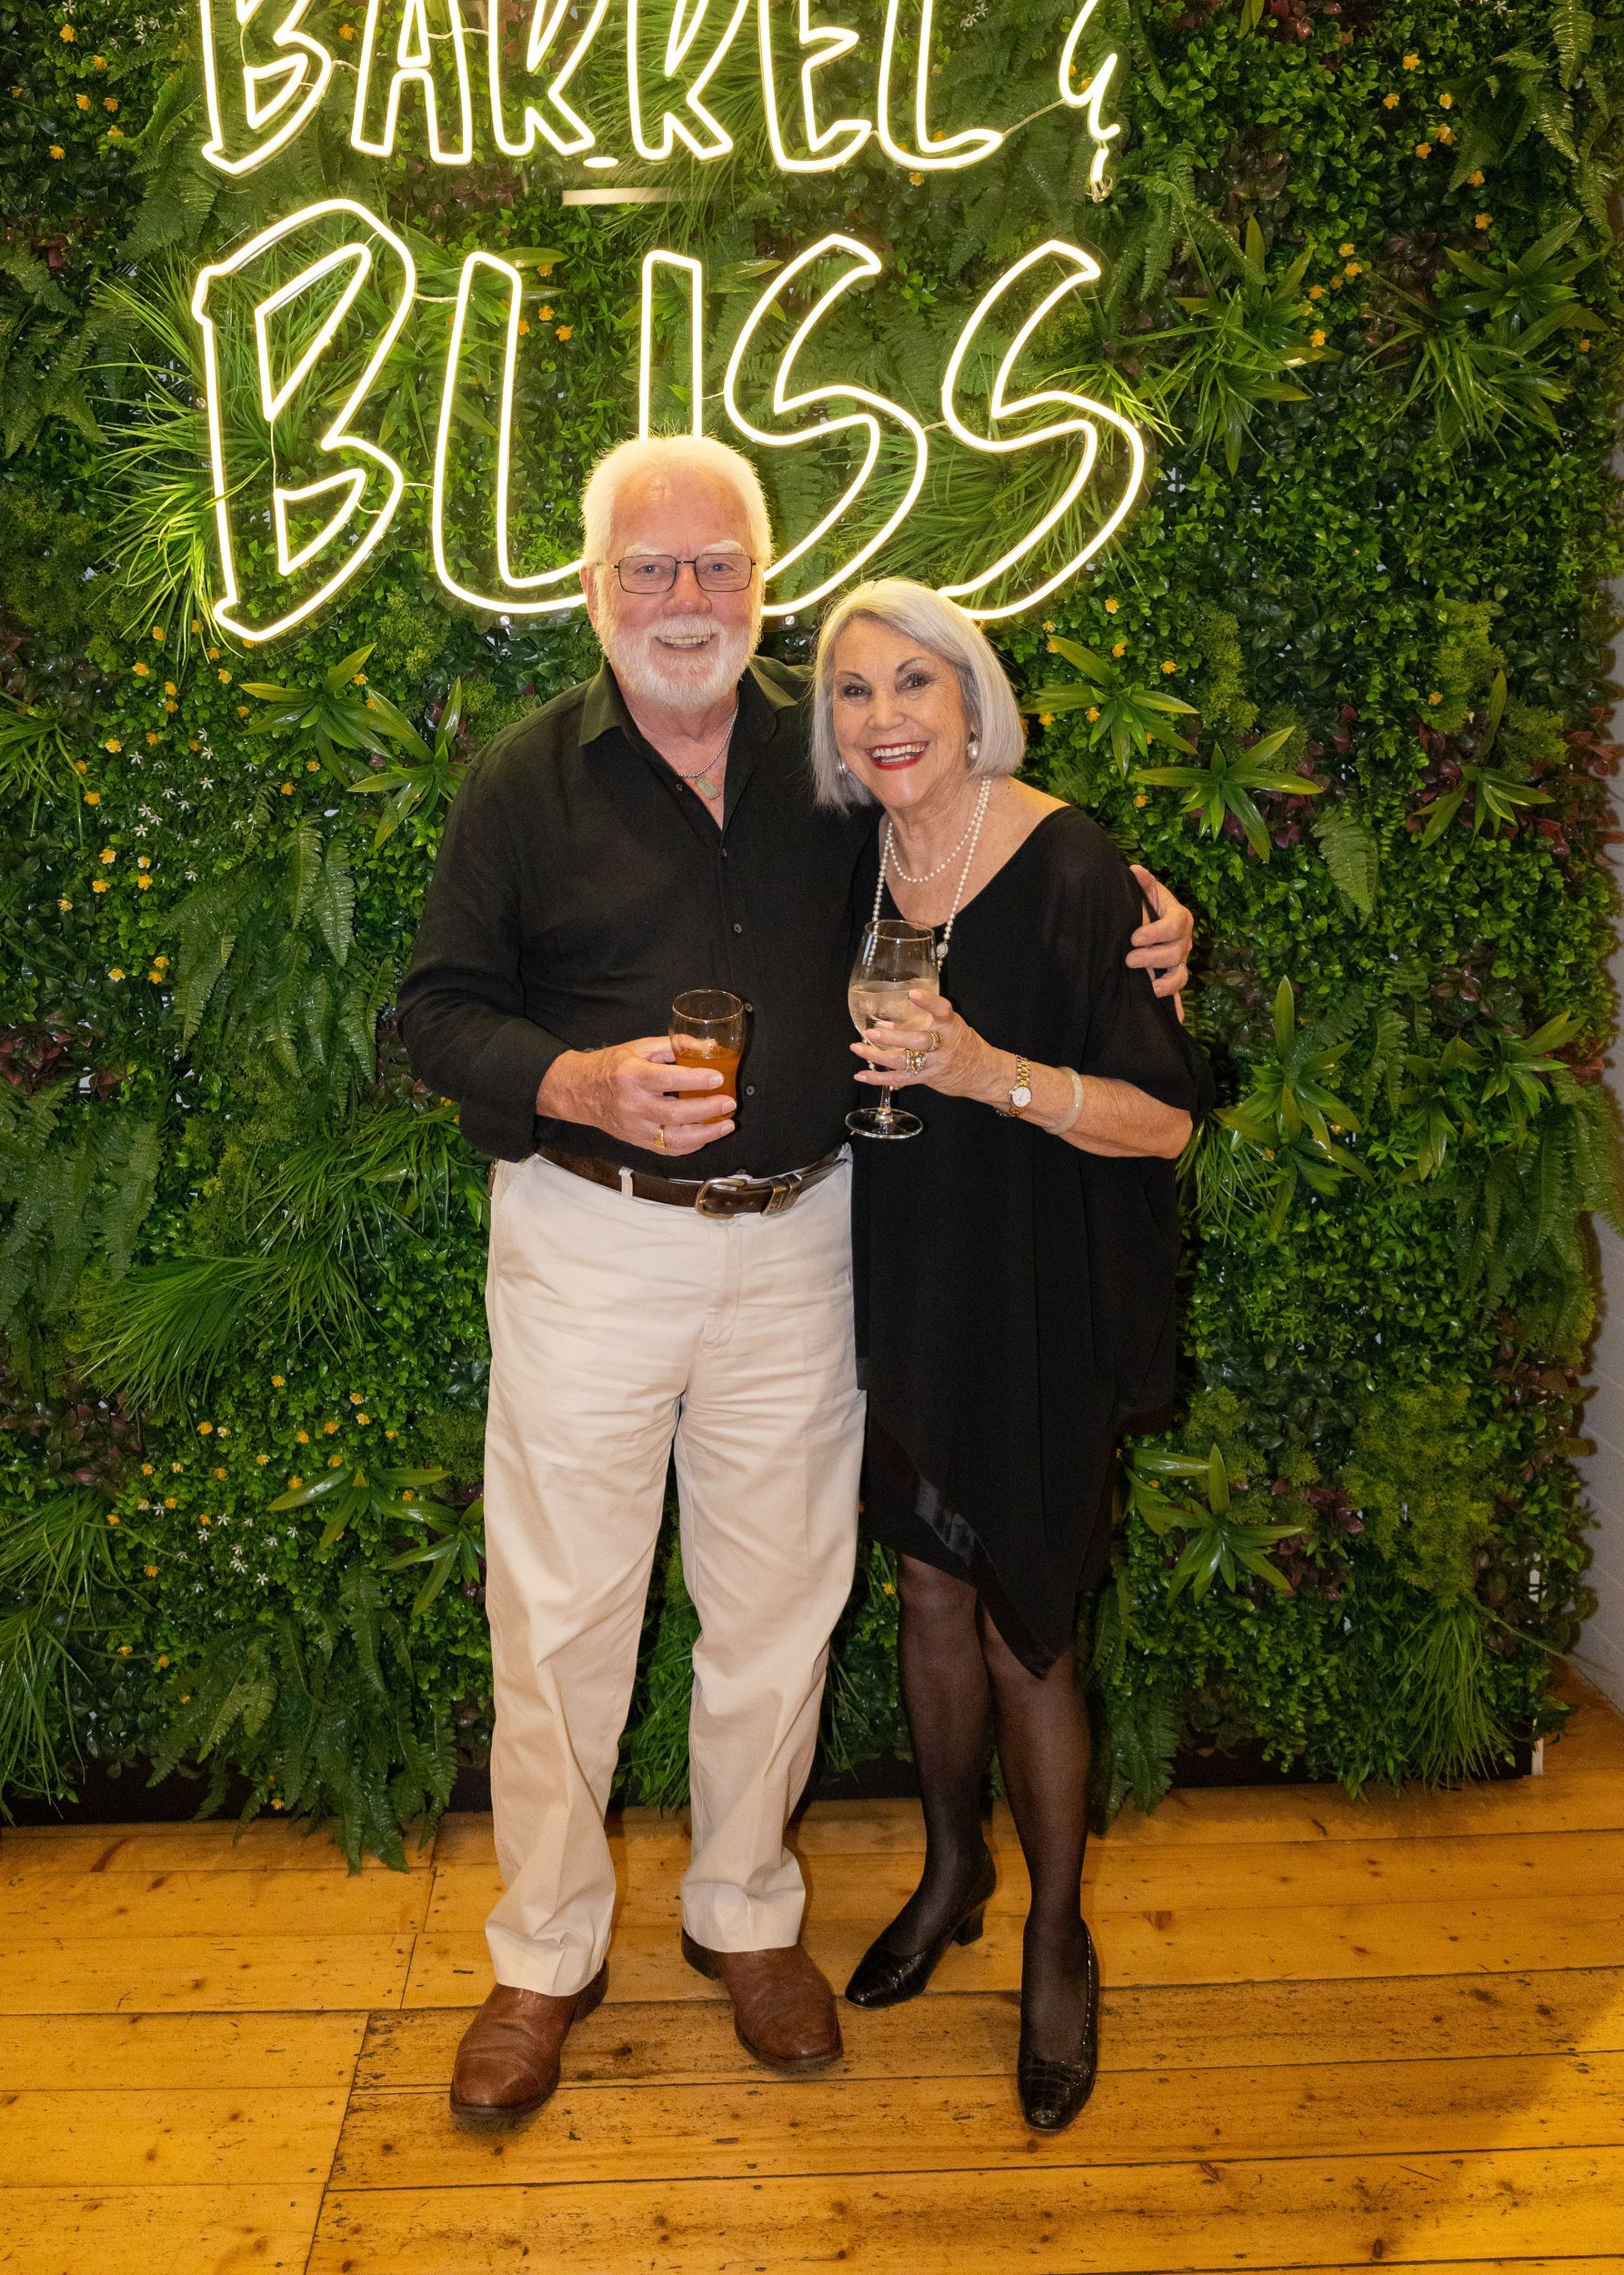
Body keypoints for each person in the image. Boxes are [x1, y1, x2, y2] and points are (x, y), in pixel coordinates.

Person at [396, 436, 1195, 2128]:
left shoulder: (833, 768)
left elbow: (983, 864)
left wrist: (1154, 930)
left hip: (808, 1243)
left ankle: (747, 1916)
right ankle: (542, 1958)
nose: (684, 600)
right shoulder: (522, 782)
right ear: (594, 584)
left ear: (761, 582)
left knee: (779, 1606)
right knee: (559, 1620)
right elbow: (437, 1011)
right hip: (591, 1237)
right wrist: (580, 1083)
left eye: (716, 567)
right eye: (648, 568)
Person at [811, 576, 1213, 2133]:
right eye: (855, 692)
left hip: (1037, 1290)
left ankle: (1057, 1935)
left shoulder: (1074, 870)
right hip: (903, 1282)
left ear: (974, 703)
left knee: (1026, 1622)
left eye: (916, 684)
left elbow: (1166, 1117)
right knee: (927, 1587)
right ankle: (952, 1870)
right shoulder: (850, 858)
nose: (887, 717)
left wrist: (989, 1072)